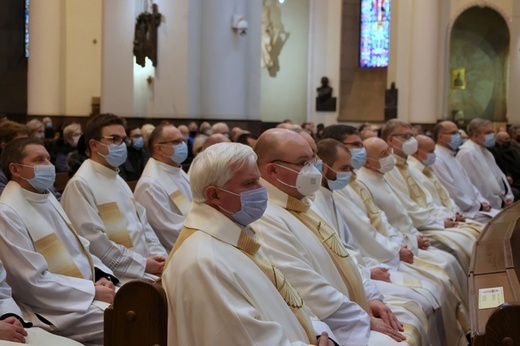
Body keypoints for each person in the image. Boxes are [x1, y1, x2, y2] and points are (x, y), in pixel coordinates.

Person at [162, 142, 335, 346]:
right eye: (249, 183)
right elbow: (247, 339)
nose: (261, 190)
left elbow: (286, 299)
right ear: (214, 195)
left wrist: (316, 332)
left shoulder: (235, 235)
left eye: (259, 180)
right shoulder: (206, 262)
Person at [253, 129, 412, 345]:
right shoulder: (266, 217)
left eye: (313, 160)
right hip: (336, 327)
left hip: (353, 310)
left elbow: (344, 254)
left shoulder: (302, 204)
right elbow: (307, 288)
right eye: (303, 163)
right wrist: (362, 318)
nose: (314, 169)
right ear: (273, 170)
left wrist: (370, 295)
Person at [0, 137, 118, 345]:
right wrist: (91, 291)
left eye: (48, 159)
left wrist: (100, 275)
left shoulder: (45, 196)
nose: (49, 165)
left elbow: (80, 246)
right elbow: (31, 282)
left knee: (145, 306)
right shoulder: (7, 212)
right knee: (134, 321)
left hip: (84, 291)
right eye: (39, 160)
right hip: (55, 310)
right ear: (15, 169)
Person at [356, 137, 471, 345]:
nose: (389, 158)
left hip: (402, 242)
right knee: (436, 284)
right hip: (387, 255)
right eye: (383, 155)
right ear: (365, 161)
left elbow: (388, 218)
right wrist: (402, 245)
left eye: (388, 152)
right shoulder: (362, 181)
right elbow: (365, 232)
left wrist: (409, 239)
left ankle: (465, 329)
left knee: (447, 265)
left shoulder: (379, 176)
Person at [61, 113, 167, 281]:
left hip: (148, 266)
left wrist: (159, 255)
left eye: (123, 140)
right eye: (114, 139)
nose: (122, 145)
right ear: (94, 145)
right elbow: (95, 242)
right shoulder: (81, 184)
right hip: (120, 278)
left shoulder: (116, 177)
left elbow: (142, 223)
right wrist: (142, 264)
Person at [380, 120, 479, 273]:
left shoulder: (407, 166)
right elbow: (407, 208)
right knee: (467, 241)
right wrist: (440, 222)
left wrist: (449, 215)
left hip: (430, 222)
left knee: (474, 234)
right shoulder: (390, 168)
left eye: (412, 136)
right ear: (391, 140)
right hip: (421, 227)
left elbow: (430, 200)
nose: (412, 141)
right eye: (406, 136)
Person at [134, 124, 192, 252]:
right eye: (176, 142)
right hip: (173, 254)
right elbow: (168, 230)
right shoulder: (150, 184)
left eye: (183, 141)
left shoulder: (178, 172)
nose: (183, 145)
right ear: (159, 148)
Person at [431, 121, 499, 223]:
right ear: (441, 137)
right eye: (453, 133)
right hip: (464, 211)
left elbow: (469, 184)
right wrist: (478, 206)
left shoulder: (452, 155)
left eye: (458, 133)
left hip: (475, 208)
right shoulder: (437, 158)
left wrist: (482, 200)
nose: (458, 136)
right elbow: (451, 191)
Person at [457, 118, 513, 209]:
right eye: (487, 133)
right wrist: (499, 202)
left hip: (500, 201)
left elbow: (500, 176)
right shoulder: (467, 153)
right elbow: (478, 184)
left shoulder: (486, 151)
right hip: (485, 205)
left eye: (492, 132)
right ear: (475, 135)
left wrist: (508, 195)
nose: (492, 135)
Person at [489, 131, 520, 201]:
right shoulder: (496, 152)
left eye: (509, 138)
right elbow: (501, 166)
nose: (509, 141)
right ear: (500, 141)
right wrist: (508, 175)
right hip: (511, 180)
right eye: (506, 139)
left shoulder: (513, 150)